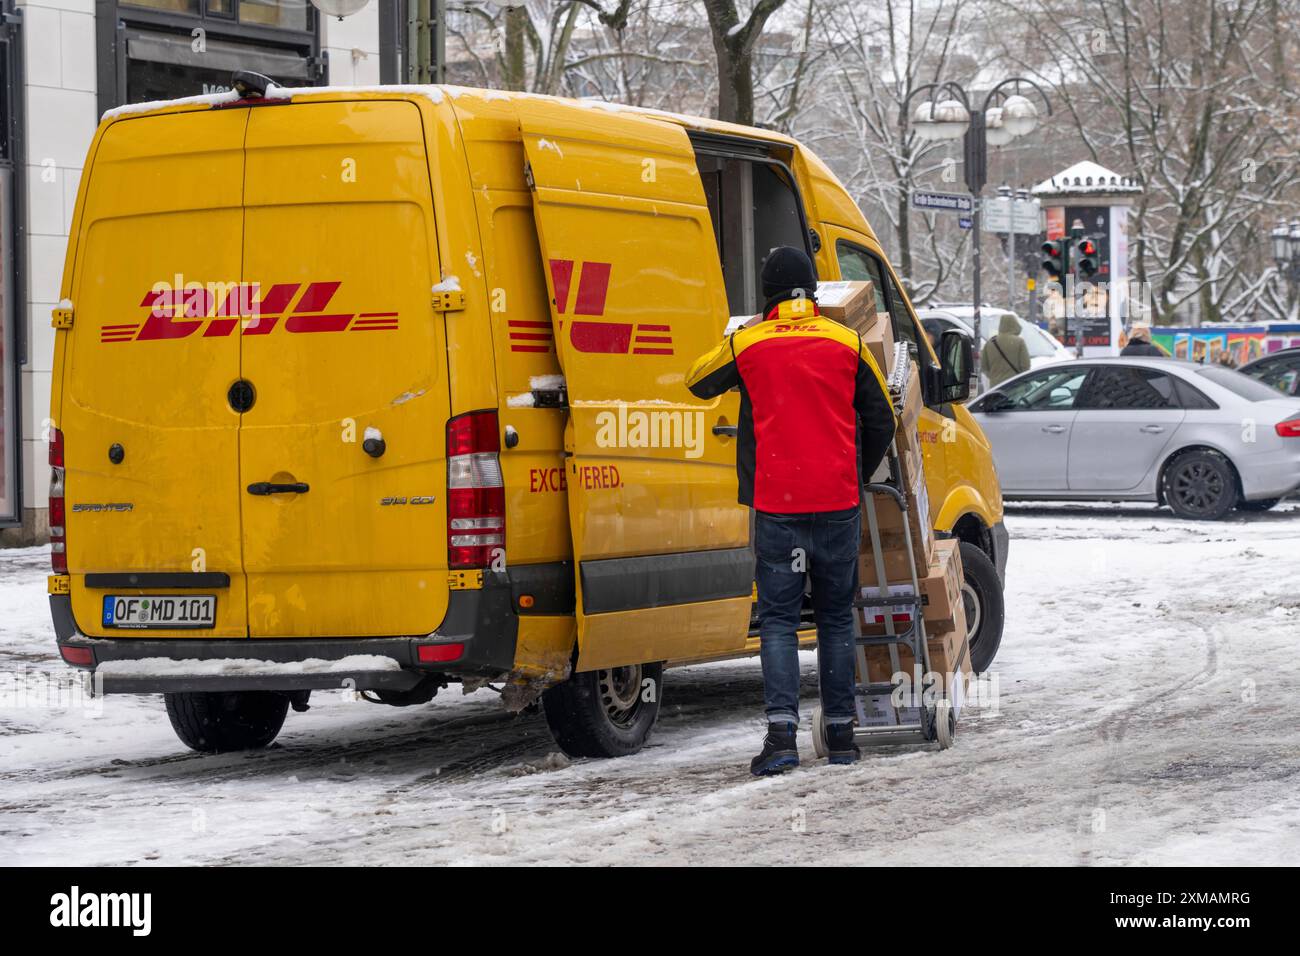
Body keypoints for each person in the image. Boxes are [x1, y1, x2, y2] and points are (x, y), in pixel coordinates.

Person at [686, 246, 896, 775]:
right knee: (832, 616)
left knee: (779, 620)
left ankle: (782, 738)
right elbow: (883, 420)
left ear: (768, 295)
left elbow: (697, 380)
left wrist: (749, 331)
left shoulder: (749, 342)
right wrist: (853, 470)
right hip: (837, 502)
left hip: (778, 505)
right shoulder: (846, 342)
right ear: (813, 292)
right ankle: (843, 737)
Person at [981, 314, 1032, 388]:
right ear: (1015, 325)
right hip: (1015, 386)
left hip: (995, 386)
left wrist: (994, 377)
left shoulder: (990, 342)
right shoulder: (1019, 342)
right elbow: (1026, 366)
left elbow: (984, 367)